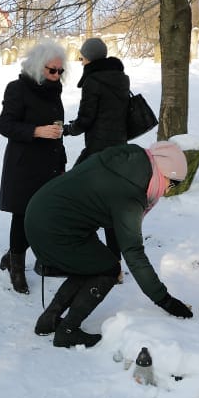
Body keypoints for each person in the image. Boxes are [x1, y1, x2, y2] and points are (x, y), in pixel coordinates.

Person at [25, 141, 194, 348]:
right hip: (54, 228)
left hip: (42, 211)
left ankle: (48, 320)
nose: (169, 191)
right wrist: (166, 301)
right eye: (173, 183)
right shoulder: (131, 193)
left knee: (95, 263)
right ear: (162, 171)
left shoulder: (128, 162)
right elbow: (134, 252)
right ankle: (68, 331)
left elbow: (113, 219)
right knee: (108, 270)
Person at [0, 41, 67, 295]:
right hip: (24, 163)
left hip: (49, 163)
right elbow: (5, 125)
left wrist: (60, 153)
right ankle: (17, 266)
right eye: (52, 70)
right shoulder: (18, 88)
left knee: (43, 215)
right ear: (39, 67)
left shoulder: (53, 90)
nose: (57, 75)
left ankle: (12, 255)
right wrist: (37, 131)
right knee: (23, 215)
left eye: (61, 71)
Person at [63, 37, 131, 271]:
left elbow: (86, 119)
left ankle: (80, 251)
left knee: (71, 193)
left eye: (83, 56)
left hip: (97, 151)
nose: (81, 60)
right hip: (119, 151)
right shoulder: (121, 78)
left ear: (89, 57)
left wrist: (68, 129)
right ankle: (116, 263)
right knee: (111, 205)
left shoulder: (93, 80)